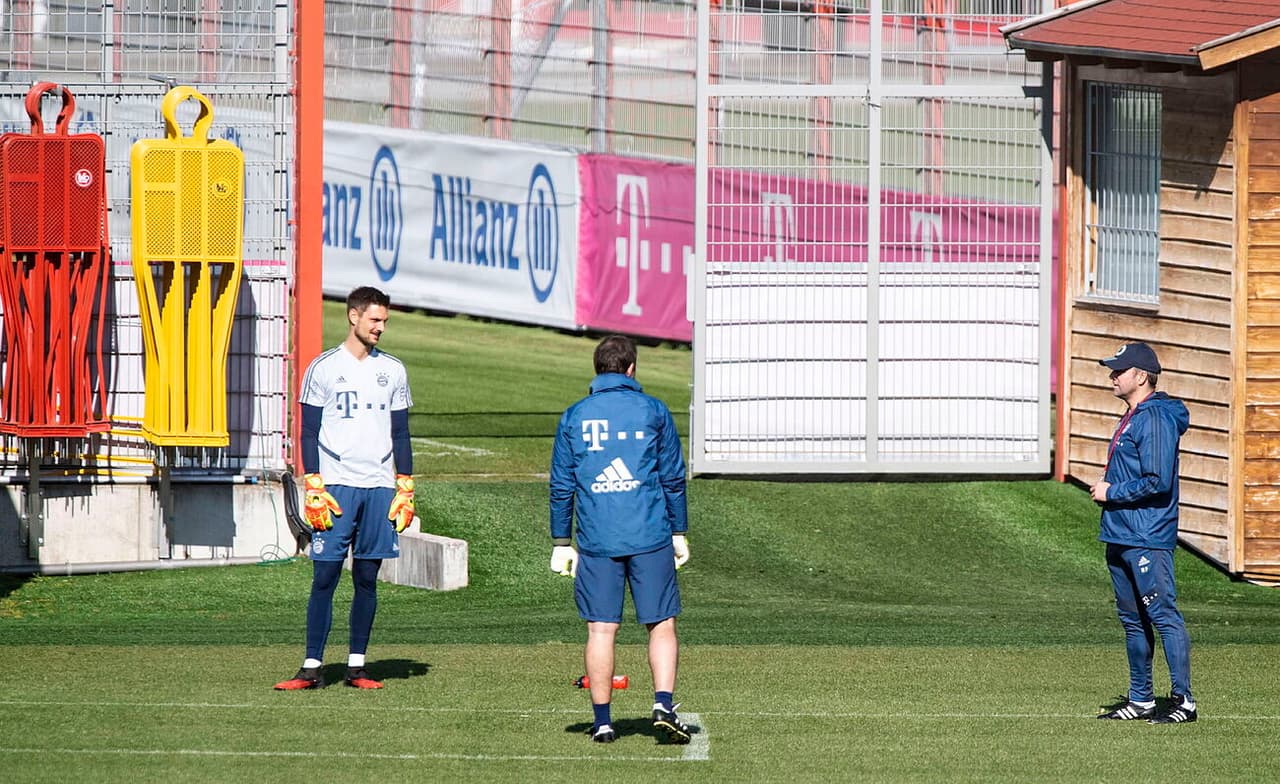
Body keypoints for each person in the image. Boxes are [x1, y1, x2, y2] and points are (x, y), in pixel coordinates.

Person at [549, 334, 691, 744]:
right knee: (661, 623)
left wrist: (561, 539)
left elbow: (562, 484)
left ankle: (603, 721)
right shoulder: (653, 410)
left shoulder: (574, 416)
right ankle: (662, 703)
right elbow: (672, 478)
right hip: (650, 533)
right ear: (631, 368)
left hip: (596, 538)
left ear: (598, 370)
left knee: (601, 629)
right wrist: (678, 530)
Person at [274, 286, 416, 691]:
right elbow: (308, 431)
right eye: (375, 320)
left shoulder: (394, 370)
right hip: (336, 488)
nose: (380, 328)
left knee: (367, 579)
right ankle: (311, 668)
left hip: (378, 489)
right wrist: (313, 483)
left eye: (385, 321)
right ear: (353, 316)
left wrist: (405, 485)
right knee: (324, 578)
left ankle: (357, 667)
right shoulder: (322, 368)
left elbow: (401, 433)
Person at [1091, 342, 1196, 724]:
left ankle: (1183, 701)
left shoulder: (1154, 419)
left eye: (1118, 371)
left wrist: (1111, 492)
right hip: (1120, 533)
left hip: (1146, 535)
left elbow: (1157, 480)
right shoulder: (1133, 415)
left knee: (1163, 616)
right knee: (1133, 620)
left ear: (1140, 376)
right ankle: (1141, 700)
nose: (1112, 377)